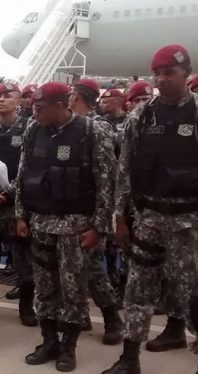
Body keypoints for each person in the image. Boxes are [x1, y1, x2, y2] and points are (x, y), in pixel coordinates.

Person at [102, 44, 198, 374]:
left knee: (195, 298)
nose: (162, 79)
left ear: (186, 73)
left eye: (169, 73)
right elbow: (123, 172)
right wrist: (120, 217)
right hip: (148, 220)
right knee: (138, 290)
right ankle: (129, 359)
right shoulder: (142, 116)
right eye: (157, 73)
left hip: (192, 224)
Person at [16, 82, 115, 372]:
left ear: (61, 105)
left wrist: (98, 227)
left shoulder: (92, 131)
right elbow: (24, 174)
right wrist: (20, 215)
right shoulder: (34, 130)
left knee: (74, 290)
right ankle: (49, 341)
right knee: (44, 288)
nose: (34, 112)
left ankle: (68, 347)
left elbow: (106, 183)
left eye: (40, 107)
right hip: (41, 223)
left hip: (76, 226)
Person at [69, 79, 125, 345]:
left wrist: (101, 222)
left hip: (91, 210)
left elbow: (106, 177)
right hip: (69, 207)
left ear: (77, 96)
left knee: (92, 268)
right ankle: (80, 315)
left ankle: (112, 318)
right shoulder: (68, 127)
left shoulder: (97, 127)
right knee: (70, 268)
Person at [0, 84, 37, 327]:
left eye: (7, 96)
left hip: (18, 205)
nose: (0, 101)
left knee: (23, 259)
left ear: (19, 101)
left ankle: (26, 306)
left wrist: (8, 191)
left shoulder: (31, 129)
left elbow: (31, 167)